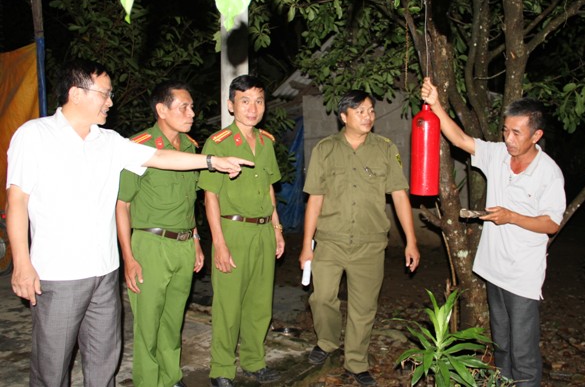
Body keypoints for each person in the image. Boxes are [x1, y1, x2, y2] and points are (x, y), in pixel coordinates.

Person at [6, 59, 252, 387]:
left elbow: (159, 157)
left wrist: (212, 161)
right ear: (76, 94)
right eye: (105, 94)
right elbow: (17, 201)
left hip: (105, 273)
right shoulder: (34, 135)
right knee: (52, 368)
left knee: (104, 361)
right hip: (59, 274)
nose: (111, 102)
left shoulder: (108, 141)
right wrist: (22, 264)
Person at [421, 77, 566, 386]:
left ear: (536, 135)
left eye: (516, 133)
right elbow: (460, 139)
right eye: (505, 130)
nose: (508, 139)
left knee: (523, 352)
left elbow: (552, 223)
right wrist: (436, 104)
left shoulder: (548, 173)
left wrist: (512, 216)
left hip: (522, 276)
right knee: (501, 346)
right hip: (493, 269)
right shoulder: (499, 154)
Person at [299, 90, 420, 387]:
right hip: (330, 240)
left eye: (371, 111)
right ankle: (327, 342)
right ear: (344, 116)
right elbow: (315, 198)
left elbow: (399, 195)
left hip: (370, 243)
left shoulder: (385, 148)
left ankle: (356, 361)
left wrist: (411, 240)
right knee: (321, 298)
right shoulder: (325, 149)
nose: (368, 116)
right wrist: (306, 245)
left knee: (363, 307)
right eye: (360, 111)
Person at [116, 81, 205, 387]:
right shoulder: (138, 146)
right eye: (184, 107)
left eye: (192, 107)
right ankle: (147, 381)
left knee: (173, 319)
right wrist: (128, 257)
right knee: (148, 324)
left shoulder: (190, 147)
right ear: (161, 110)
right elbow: (122, 205)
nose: (192, 113)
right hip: (150, 245)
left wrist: (195, 241)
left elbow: (188, 202)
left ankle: (170, 377)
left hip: (183, 245)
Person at [198, 75, 285, 387]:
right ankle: (222, 369)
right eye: (245, 101)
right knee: (228, 305)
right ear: (231, 105)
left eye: (259, 101)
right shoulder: (218, 143)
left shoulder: (266, 143)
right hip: (232, 230)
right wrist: (219, 243)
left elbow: (269, 189)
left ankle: (254, 361)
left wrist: (277, 229)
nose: (253, 108)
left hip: (263, 231)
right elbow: (210, 196)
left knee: (260, 303)